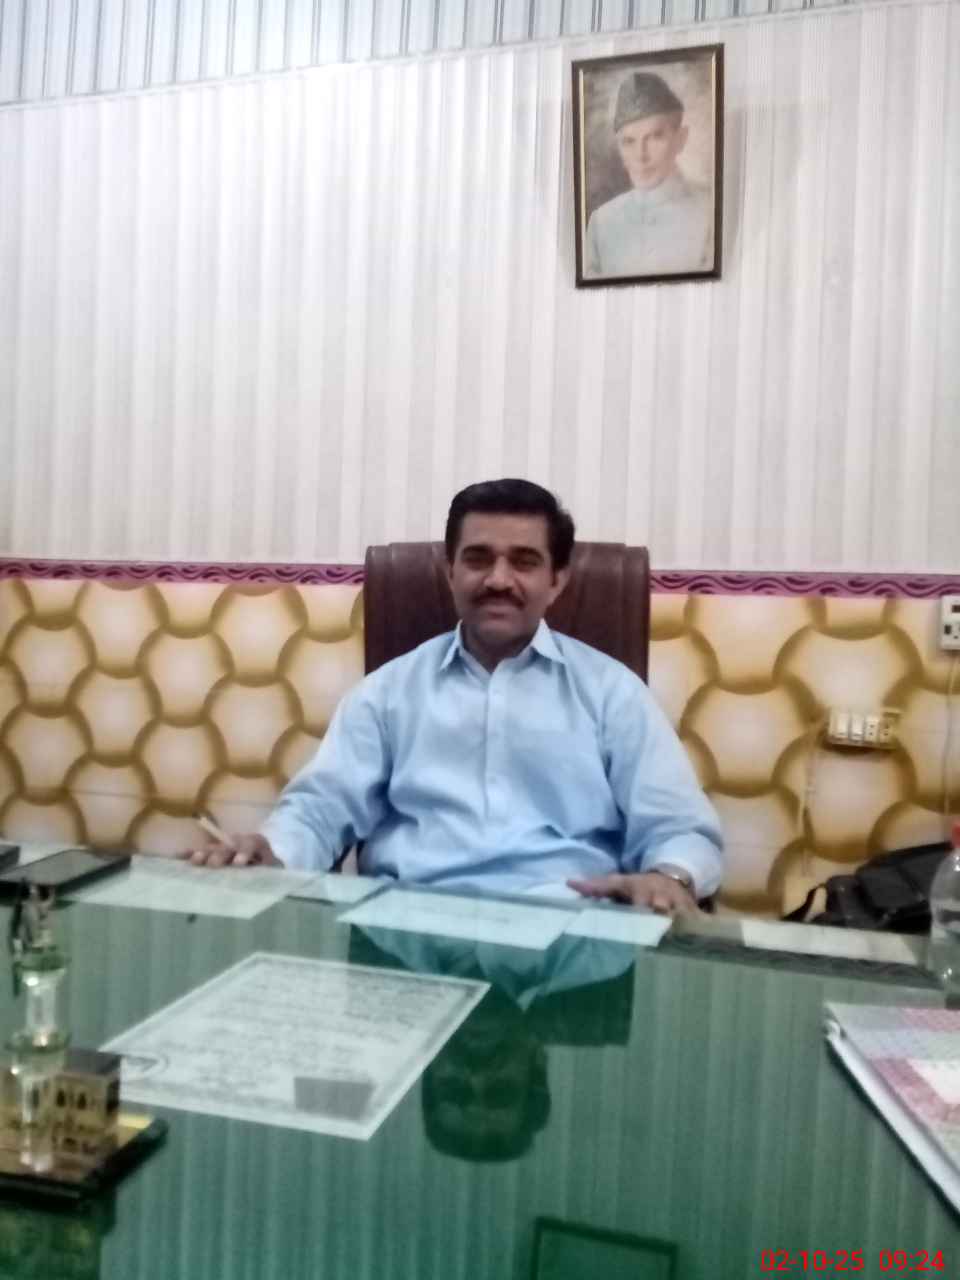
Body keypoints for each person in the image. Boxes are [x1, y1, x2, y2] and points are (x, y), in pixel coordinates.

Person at [188, 479, 723, 915]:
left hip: (571, 934)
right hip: (408, 928)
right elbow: (321, 808)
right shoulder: (388, 692)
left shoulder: (612, 693)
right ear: (450, 571)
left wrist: (669, 876)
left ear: (557, 580)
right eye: (478, 559)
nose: (498, 579)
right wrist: (273, 849)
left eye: (524, 561)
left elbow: (679, 827)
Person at [584, 70, 713, 278]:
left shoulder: (710, 212)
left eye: (654, 137)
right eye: (629, 141)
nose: (641, 155)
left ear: (681, 139)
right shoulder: (601, 223)